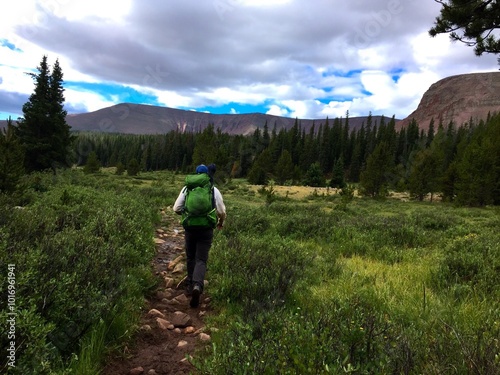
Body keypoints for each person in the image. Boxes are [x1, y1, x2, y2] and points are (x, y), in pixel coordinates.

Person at [173, 164, 226, 308]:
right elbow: (221, 211)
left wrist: (186, 213)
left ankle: (190, 285)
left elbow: (176, 208)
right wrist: (221, 223)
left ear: (195, 174)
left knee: (190, 257)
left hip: (190, 228)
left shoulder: (187, 188)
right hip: (206, 229)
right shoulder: (213, 189)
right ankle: (198, 285)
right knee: (201, 259)